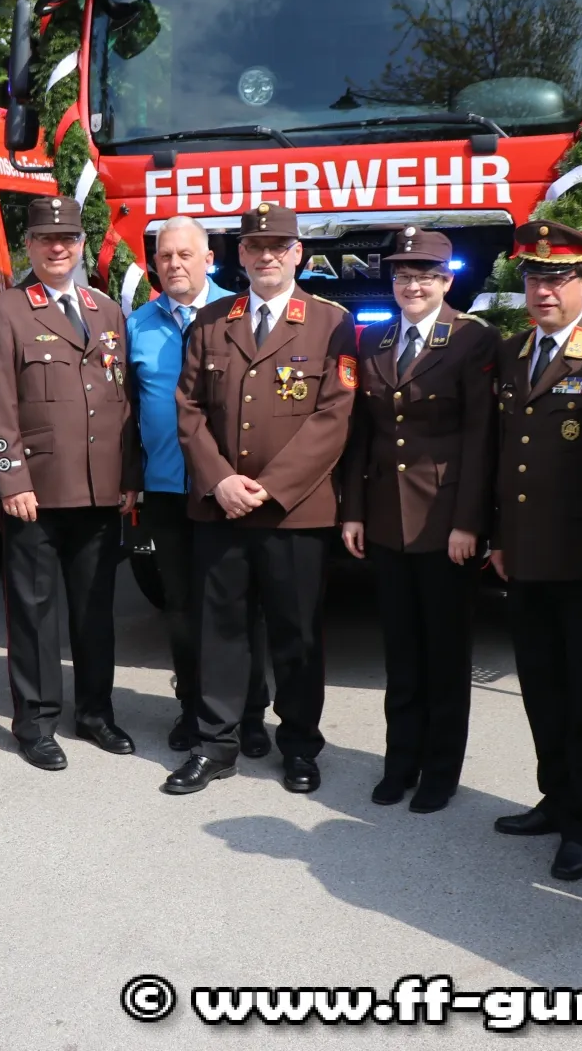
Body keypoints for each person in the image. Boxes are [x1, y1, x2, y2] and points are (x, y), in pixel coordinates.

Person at [165, 201, 358, 796]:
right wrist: (219, 479)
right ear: (240, 255)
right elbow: (188, 408)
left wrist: (271, 489)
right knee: (220, 631)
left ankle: (299, 746)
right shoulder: (211, 322)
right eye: (255, 247)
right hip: (220, 508)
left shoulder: (332, 324)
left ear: (298, 253)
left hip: (294, 512)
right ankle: (215, 744)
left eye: (278, 246)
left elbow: (334, 417)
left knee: (295, 636)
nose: (266, 256)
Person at [488, 219, 582, 882]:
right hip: (526, 555)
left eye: (557, 278)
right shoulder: (515, 352)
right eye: (534, 279)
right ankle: (555, 798)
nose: (544, 291)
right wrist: (499, 536)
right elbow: (505, 455)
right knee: (544, 689)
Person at [0, 196, 139, 769]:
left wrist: (128, 475)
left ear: (82, 245)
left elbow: (123, 401)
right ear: (30, 246)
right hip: (35, 493)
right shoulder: (5, 312)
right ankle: (36, 722)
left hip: (99, 489)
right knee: (35, 612)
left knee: (94, 609)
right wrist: (11, 479)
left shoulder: (105, 310)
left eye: (67, 238)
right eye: (46, 238)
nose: (58, 247)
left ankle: (95, 713)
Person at [338, 227, 496, 814]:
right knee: (401, 653)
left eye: (426, 276)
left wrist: (469, 522)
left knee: (444, 656)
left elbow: (480, 437)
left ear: (446, 281)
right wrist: (354, 511)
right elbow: (362, 434)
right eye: (404, 276)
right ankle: (400, 761)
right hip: (386, 520)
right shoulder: (375, 340)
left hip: (444, 523)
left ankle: (440, 772)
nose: (413, 286)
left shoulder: (472, 340)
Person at [125, 215, 272, 756]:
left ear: (210, 259)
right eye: (165, 256)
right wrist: (131, 479)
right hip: (167, 489)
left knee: (238, 606)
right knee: (182, 607)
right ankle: (192, 706)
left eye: (185, 254)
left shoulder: (239, 314)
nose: (174, 265)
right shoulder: (137, 325)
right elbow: (128, 410)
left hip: (228, 488)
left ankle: (250, 714)